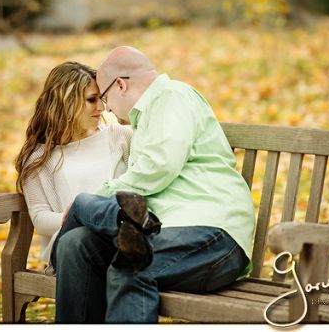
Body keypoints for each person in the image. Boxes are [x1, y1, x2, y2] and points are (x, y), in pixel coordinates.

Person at [53, 46, 255, 323]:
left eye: (105, 97)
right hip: (163, 233)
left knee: (130, 263)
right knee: (76, 244)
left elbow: (158, 167)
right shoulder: (145, 119)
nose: (107, 108)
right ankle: (107, 217)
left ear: (121, 84)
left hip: (213, 236)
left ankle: (104, 212)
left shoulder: (173, 97)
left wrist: (93, 198)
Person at [14, 61, 132, 271]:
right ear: (66, 103)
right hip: (72, 247)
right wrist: (76, 216)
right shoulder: (39, 157)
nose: (102, 108)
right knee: (85, 234)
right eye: (91, 100)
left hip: (125, 240)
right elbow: (40, 218)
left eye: (101, 99)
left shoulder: (120, 137)